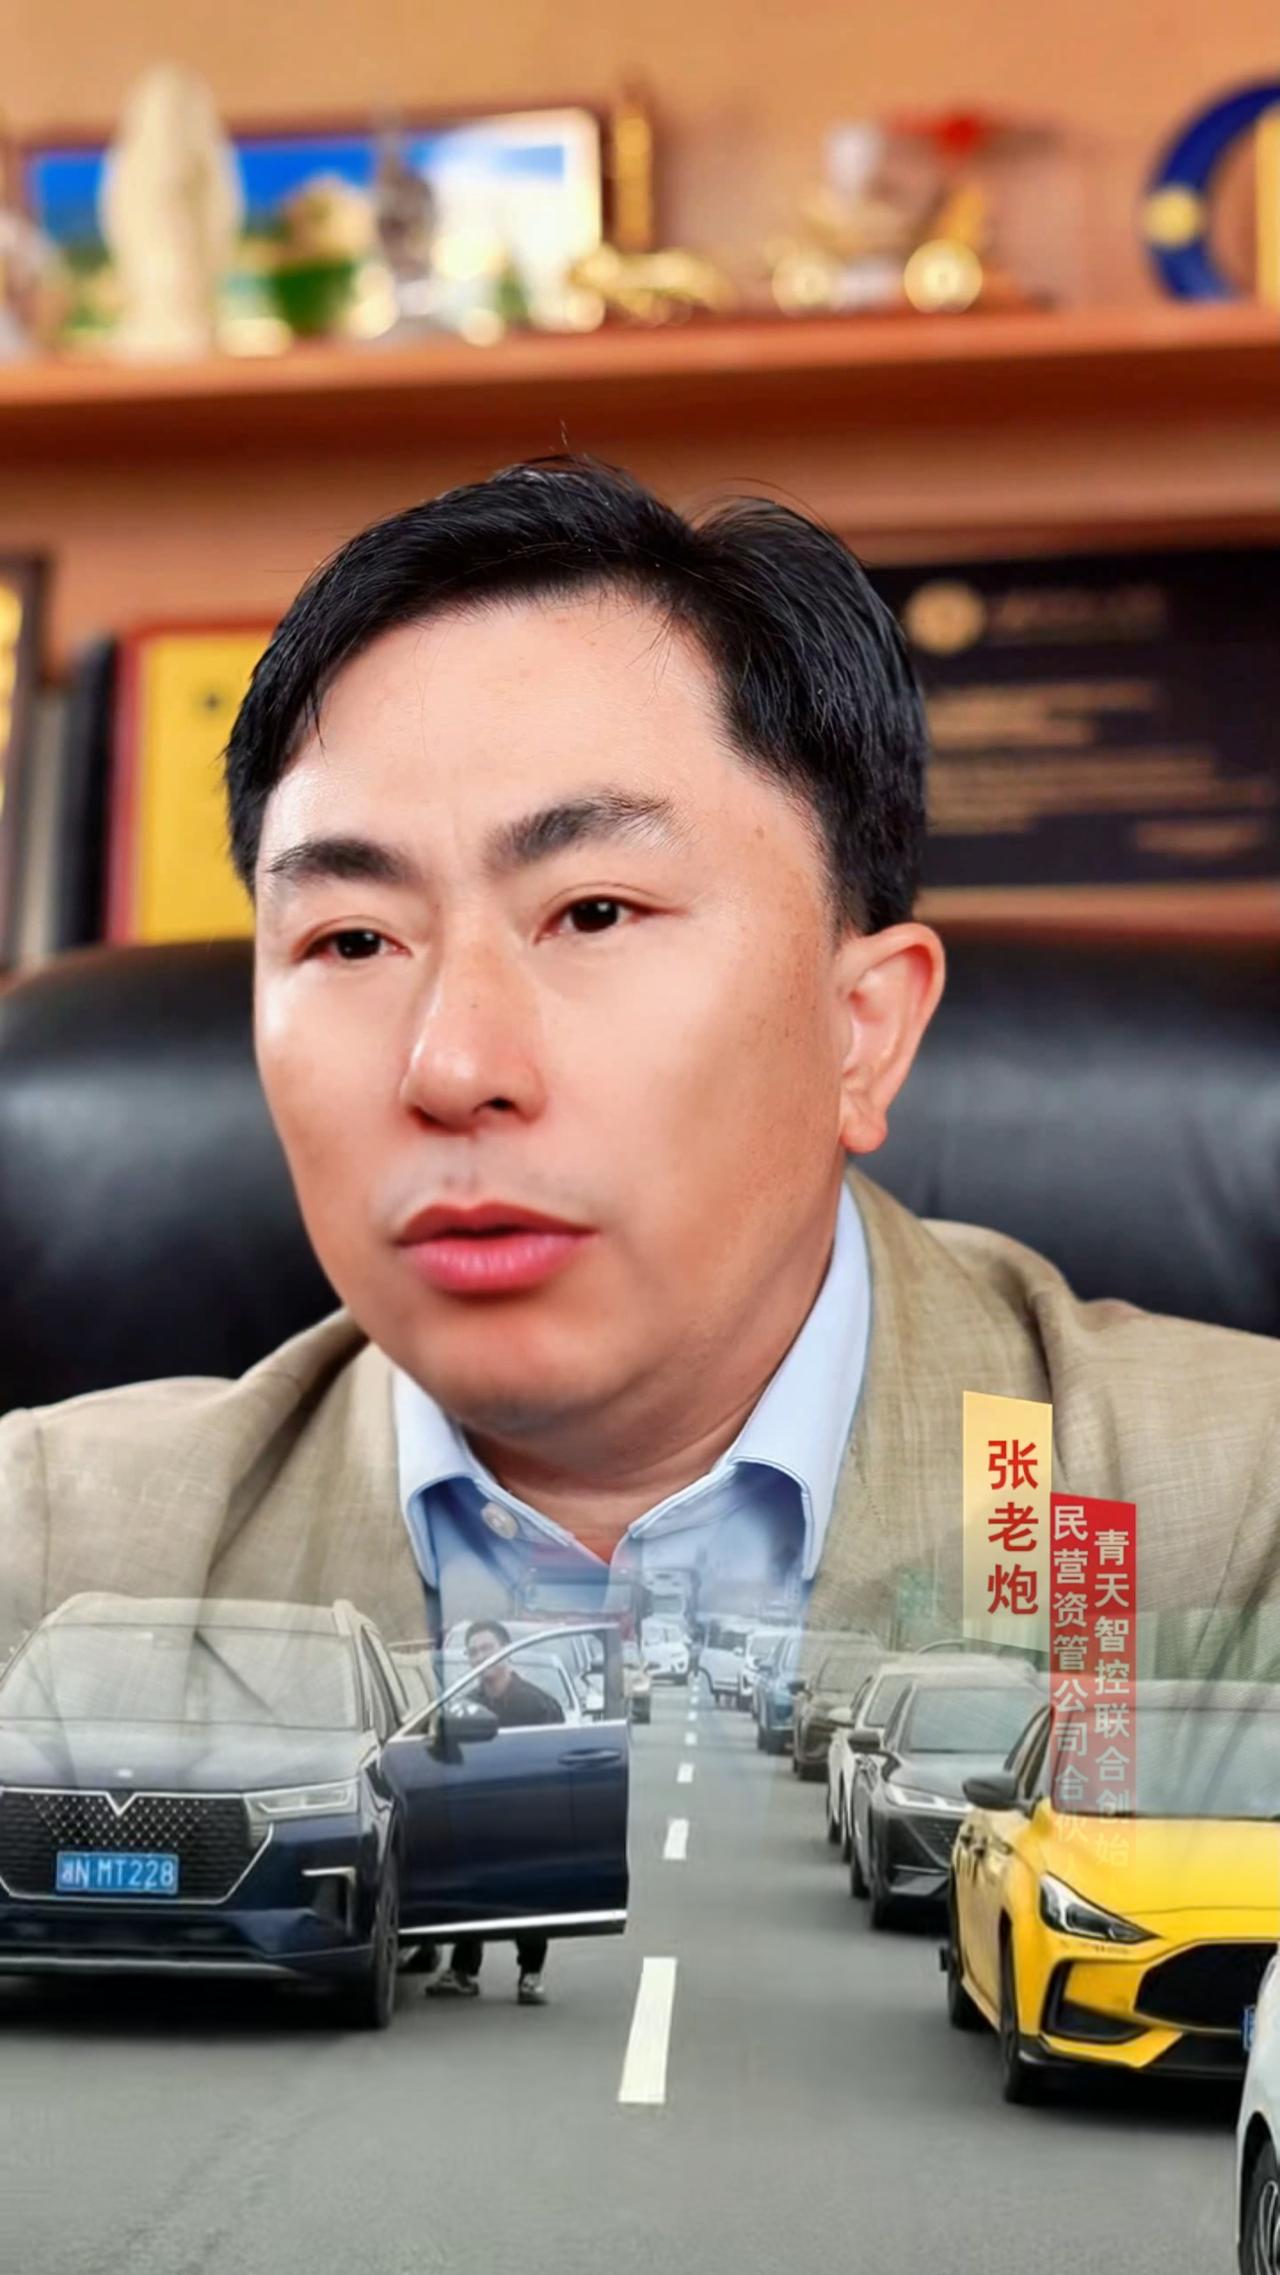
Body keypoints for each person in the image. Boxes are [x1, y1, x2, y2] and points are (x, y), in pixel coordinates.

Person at [1, 455, 1278, 1690]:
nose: (453, 1067)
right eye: (351, 940)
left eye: (594, 912)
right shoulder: (55, 1563)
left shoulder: (1232, 1513)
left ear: (862, 1028)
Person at [427, 1618, 564, 2006]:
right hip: (476, 1818)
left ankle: (531, 1975)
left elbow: (555, 1764)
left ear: (507, 1651)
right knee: (471, 1891)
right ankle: (463, 1971)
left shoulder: (539, 1705)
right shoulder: (464, 1706)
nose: (479, 1656)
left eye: (487, 1648)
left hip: (526, 1820)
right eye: (472, 1651)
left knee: (528, 1894)